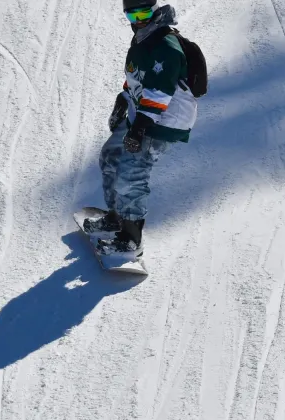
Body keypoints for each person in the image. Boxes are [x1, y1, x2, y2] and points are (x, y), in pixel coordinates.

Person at [83, 0, 198, 258]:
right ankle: (116, 217)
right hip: (143, 113)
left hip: (164, 120)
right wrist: (123, 99)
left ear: (155, 9)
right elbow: (138, 76)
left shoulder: (165, 45)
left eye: (145, 12)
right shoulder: (142, 38)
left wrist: (138, 130)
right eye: (132, 14)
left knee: (132, 172)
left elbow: (160, 92)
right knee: (111, 155)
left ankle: (131, 239)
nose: (139, 19)